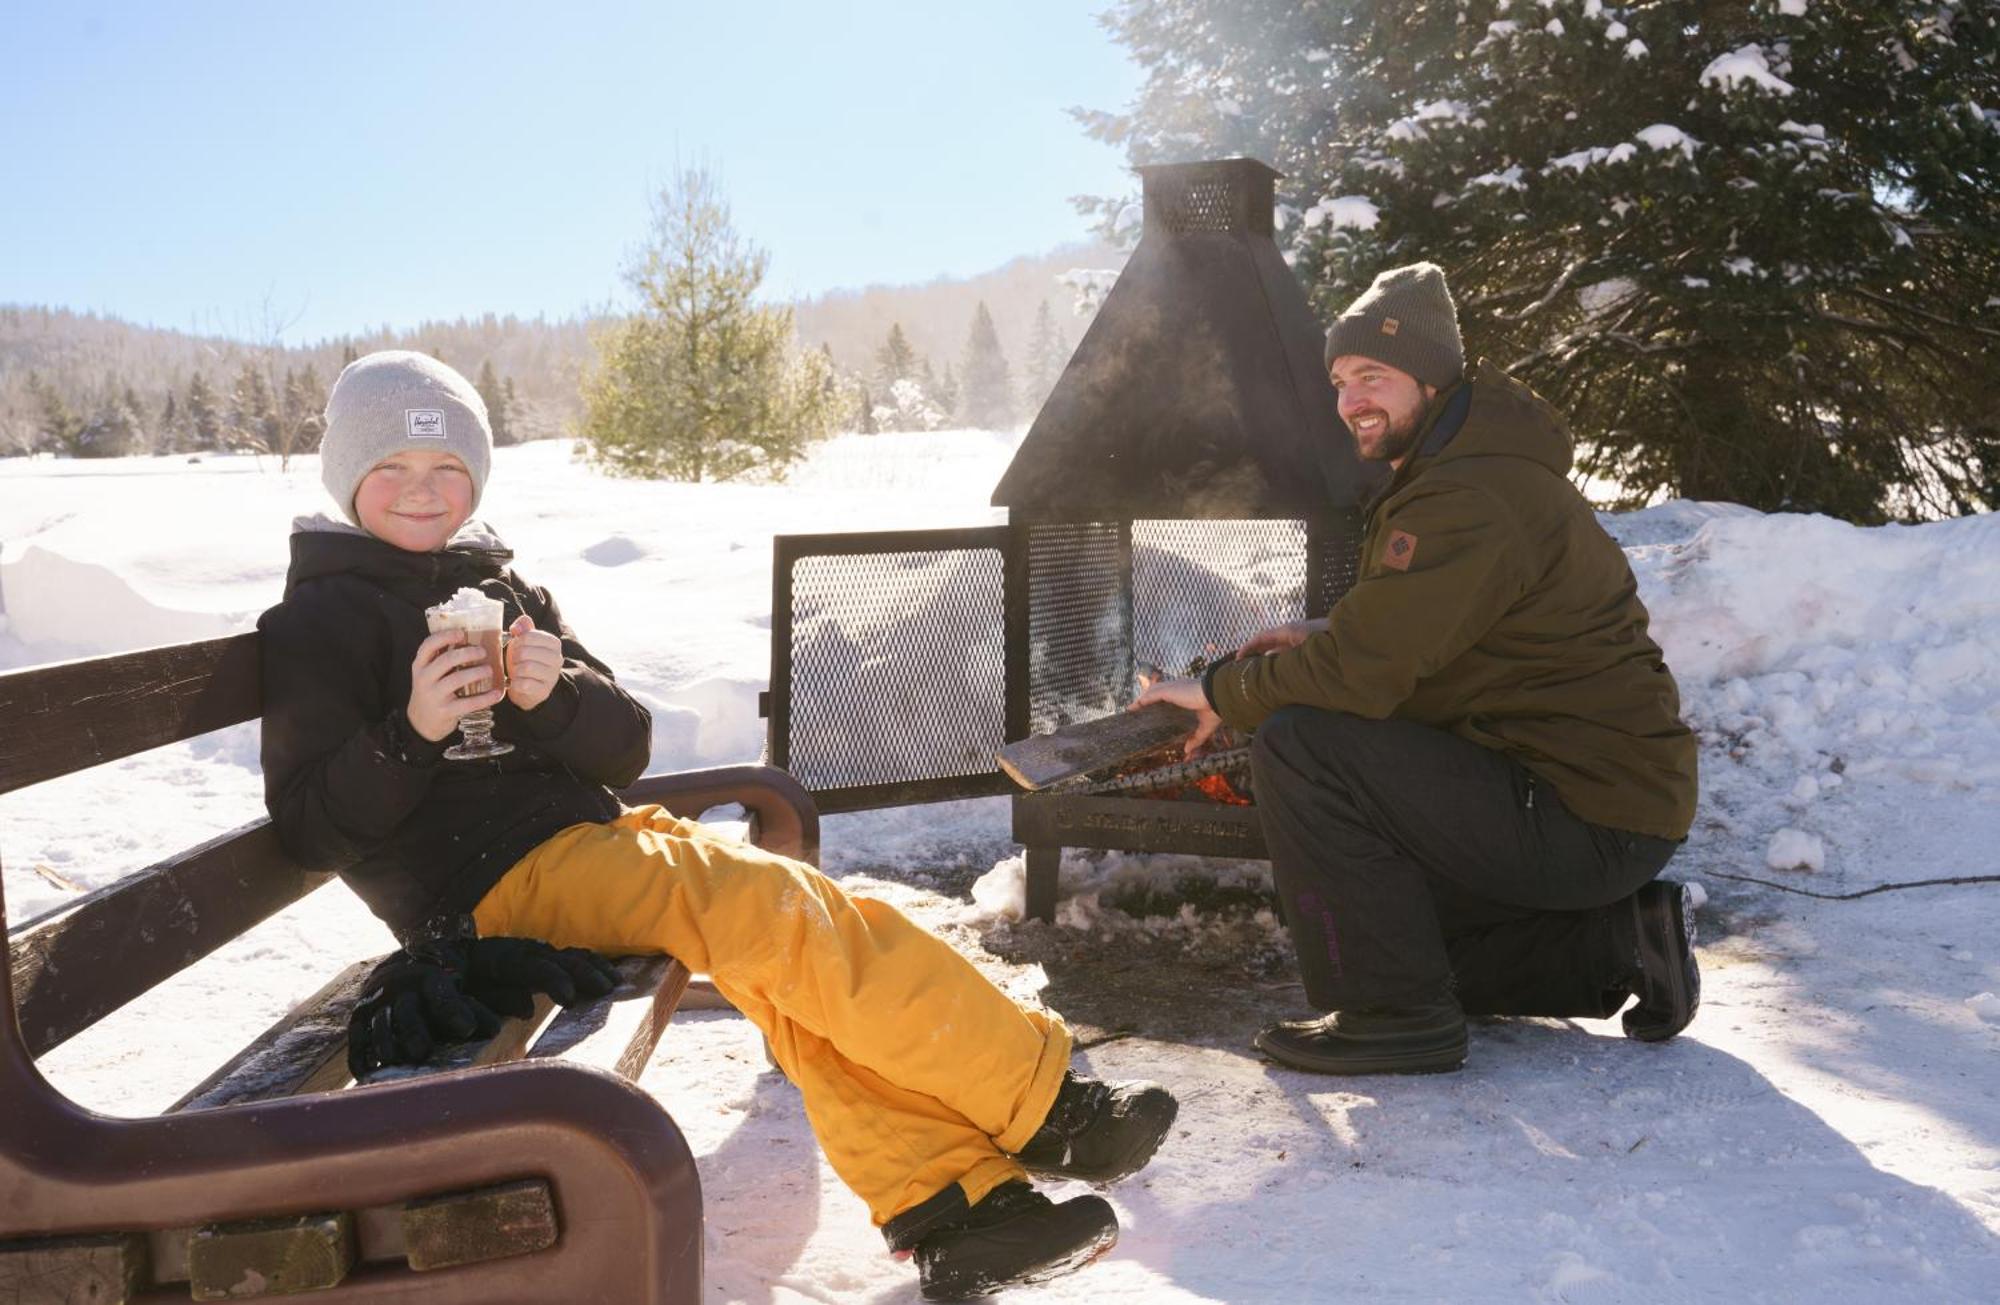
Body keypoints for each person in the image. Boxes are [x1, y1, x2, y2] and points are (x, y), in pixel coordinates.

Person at [259, 350, 1177, 1300]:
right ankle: (1046, 1103)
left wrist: (554, 695)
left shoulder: (499, 587)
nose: (425, 491)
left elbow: (627, 747)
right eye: (394, 471)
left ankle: (959, 1210)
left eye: (448, 468)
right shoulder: (316, 623)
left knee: (796, 941)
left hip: (593, 841)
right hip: (486, 887)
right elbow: (311, 831)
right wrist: (412, 732)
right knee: (778, 913)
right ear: (347, 479)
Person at [1135, 263, 1700, 1075]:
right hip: (1595, 799)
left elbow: (1364, 674)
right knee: (1396, 929)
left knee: (1300, 741)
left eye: (1374, 375)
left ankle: (1393, 1017)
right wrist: (1325, 630)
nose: (1350, 401)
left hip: (1582, 808)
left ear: (1431, 380)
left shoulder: (1468, 494)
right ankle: (1620, 942)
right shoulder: (1467, 471)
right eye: (1339, 380)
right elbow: (1444, 625)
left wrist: (1222, 690)